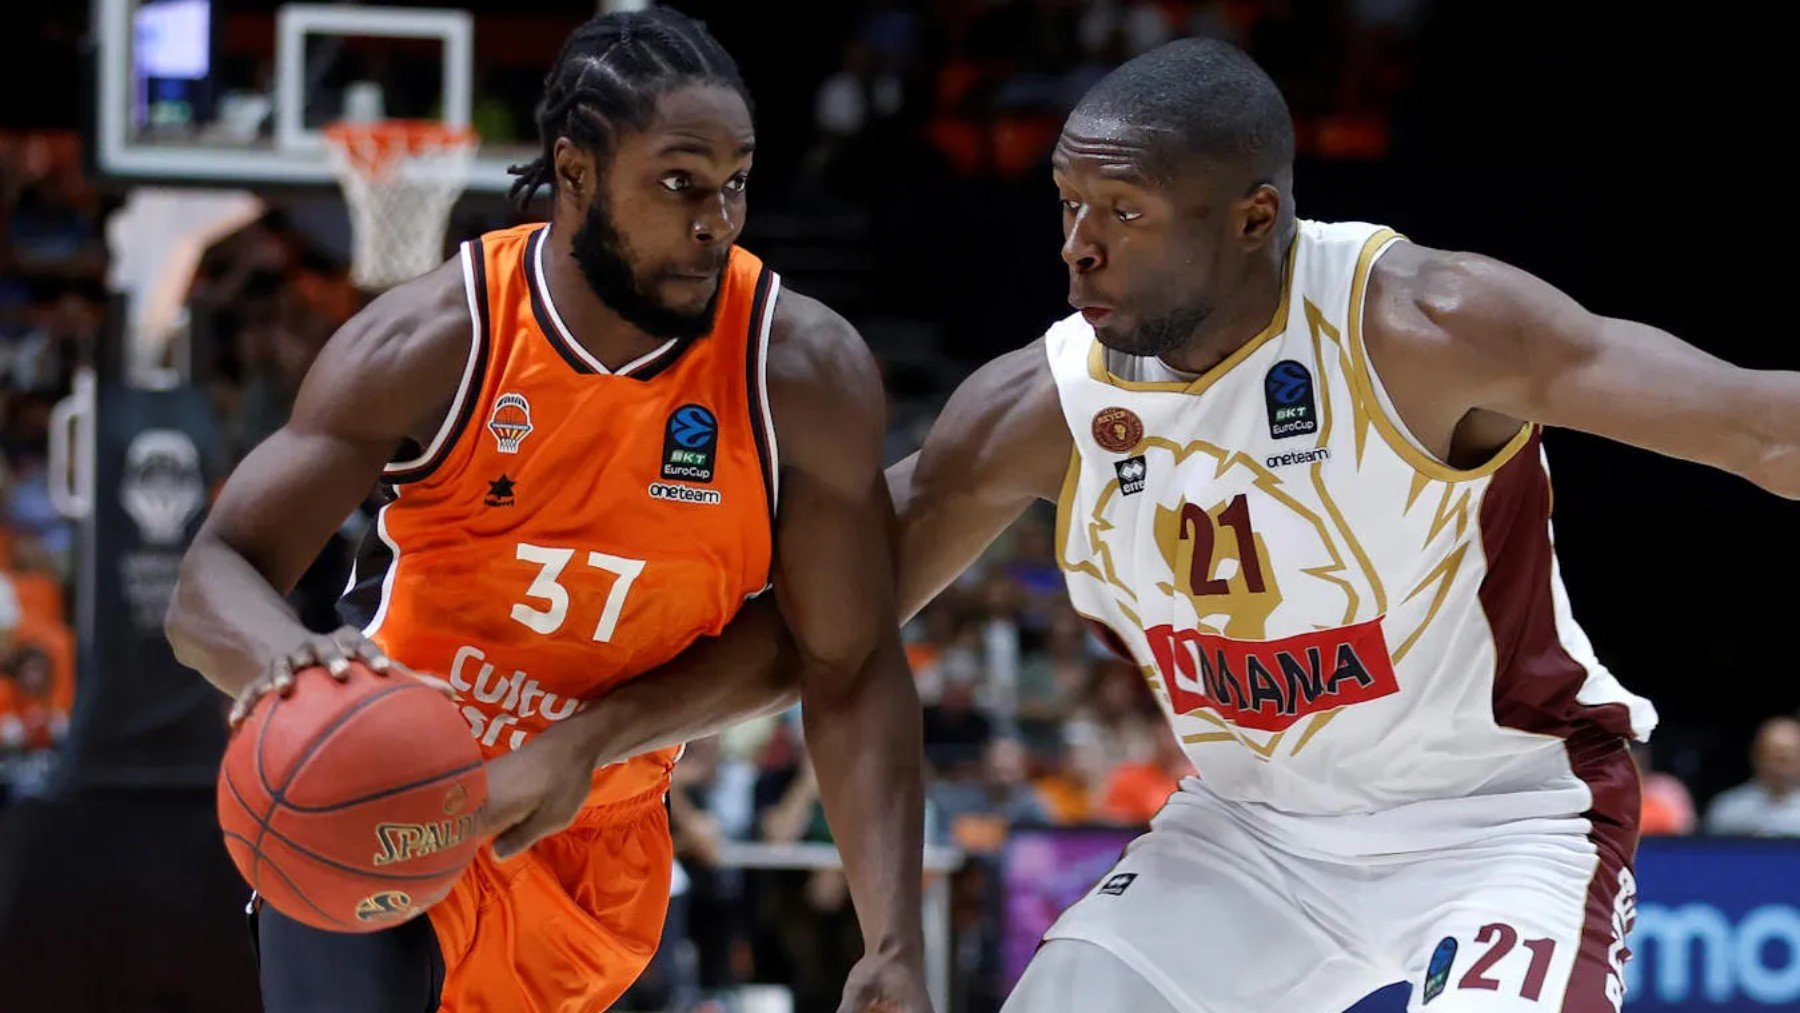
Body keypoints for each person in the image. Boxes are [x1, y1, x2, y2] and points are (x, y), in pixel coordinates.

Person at [882, 38, 1799, 1012]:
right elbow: (820, 607)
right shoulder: (1045, 404)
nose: (1078, 245)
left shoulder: (1420, 324)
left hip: (1502, 821)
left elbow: (1757, 428)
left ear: (1253, 218)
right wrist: (689, 713)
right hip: (1250, 835)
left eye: (1124, 212)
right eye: (1070, 204)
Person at [165, 9, 926, 1013]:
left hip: (596, 844)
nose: (718, 216)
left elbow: (847, 660)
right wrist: (283, 658)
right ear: (574, 173)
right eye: (680, 180)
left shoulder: (801, 374)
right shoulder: (439, 339)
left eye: (734, 180)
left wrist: (893, 938)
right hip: (385, 786)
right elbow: (212, 575)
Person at [1702, 716, 1800, 837]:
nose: (1780, 766)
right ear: (1756, 756)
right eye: (1773, 756)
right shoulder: (1727, 809)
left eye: (1787, 757)